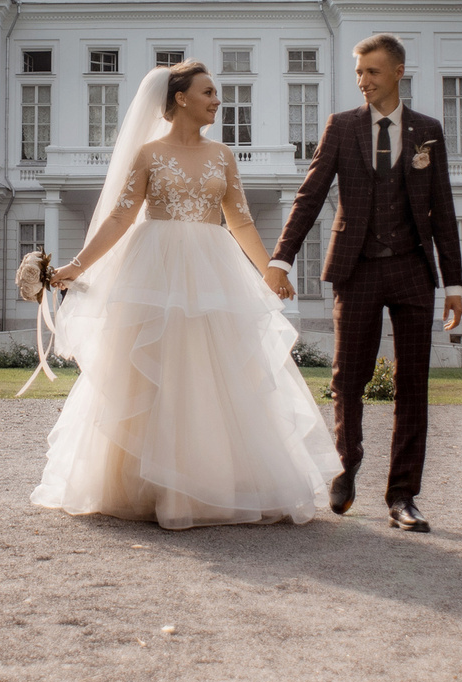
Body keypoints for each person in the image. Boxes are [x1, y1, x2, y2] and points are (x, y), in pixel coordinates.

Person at [30, 63, 335, 529]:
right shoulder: (149, 154)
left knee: (213, 372)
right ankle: (147, 486)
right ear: (180, 98)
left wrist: (270, 270)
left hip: (213, 273)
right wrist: (76, 265)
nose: (217, 100)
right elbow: (120, 217)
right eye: (208, 92)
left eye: (216, 92)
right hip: (155, 271)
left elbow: (240, 220)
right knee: (152, 372)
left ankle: (216, 482)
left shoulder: (222, 154)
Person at [267, 33, 462, 532]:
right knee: (347, 378)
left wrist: (454, 285)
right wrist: (281, 259)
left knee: (412, 383)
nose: (363, 81)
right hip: (355, 268)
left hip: (412, 269)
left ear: (398, 72)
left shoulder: (427, 131)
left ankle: (403, 496)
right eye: (359, 72)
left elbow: (442, 208)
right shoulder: (342, 126)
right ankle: (346, 462)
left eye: (372, 72)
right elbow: (310, 195)